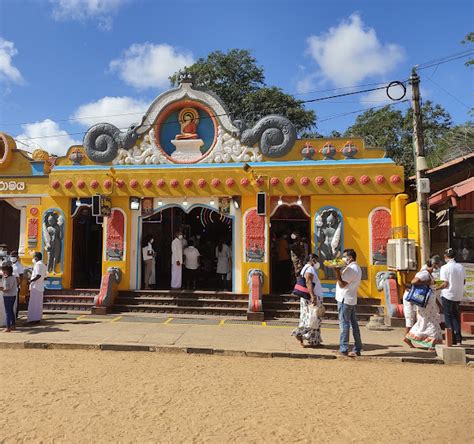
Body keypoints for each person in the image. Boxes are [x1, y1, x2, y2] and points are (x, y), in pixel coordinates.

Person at [405, 256, 444, 349]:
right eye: (437, 266)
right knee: (432, 322)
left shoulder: (429, 274)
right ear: (434, 265)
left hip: (429, 304)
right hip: (425, 304)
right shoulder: (425, 274)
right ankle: (432, 344)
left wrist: (439, 304)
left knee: (425, 322)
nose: (437, 268)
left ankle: (410, 338)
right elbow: (414, 281)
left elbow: (432, 290)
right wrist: (427, 282)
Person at [334, 248, 363, 357]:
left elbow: (342, 284)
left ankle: (343, 348)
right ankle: (357, 348)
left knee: (344, 324)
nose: (343, 258)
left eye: (345, 256)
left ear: (350, 258)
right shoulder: (355, 268)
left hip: (344, 299)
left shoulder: (352, 269)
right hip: (350, 299)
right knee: (354, 324)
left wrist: (336, 270)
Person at [291, 254, 323, 347]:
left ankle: (314, 341)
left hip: (307, 298)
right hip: (311, 298)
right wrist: (313, 296)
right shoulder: (310, 269)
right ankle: (298, 333)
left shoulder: (306, 267)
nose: (317, 263)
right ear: (312, 260)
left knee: (310, 319)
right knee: (313, 320)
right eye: (316, 260)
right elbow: (308, 282)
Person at [438, 248, 466, 346]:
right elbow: (464, 281)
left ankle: (451, 339)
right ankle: (458, 340)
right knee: (456, 317)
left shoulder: (444, 268)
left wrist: (436, 288)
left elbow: (445, 283)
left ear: (446, 256)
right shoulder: (461, 267)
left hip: (447, 295)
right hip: (458, 295)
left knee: (448, 318)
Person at [27, 252, 47, 323]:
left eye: (33, 257)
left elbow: (38, 275)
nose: (33, 258)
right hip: (40, 286)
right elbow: (45, 277)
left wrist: (30, 280)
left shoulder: (38, 264)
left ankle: (33, 319)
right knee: (38, 304)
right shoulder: (43, 265)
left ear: (36, 257)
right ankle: (37, 318)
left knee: (33, 303)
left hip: (35, 286)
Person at [1, 263, 17, 332]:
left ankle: (8, 327)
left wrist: (1, 289)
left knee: (8, 311)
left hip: (8, 296)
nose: (3, 271)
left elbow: (7, 289)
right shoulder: (10, 277)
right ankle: (13, 325)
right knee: (10, 311)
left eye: (4, 270)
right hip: (11, 296)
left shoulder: (9, 278)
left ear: (8, 270)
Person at [10, 251, 24, 318]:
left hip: (16, 285)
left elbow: (21, 276)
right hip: (8, 285)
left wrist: (18, 284)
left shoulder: (19, 265)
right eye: (11, 256)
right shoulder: (9, 264)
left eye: (14, 256)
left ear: (17, 257)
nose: (12, 257)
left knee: (15, 301)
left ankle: (15, 315)